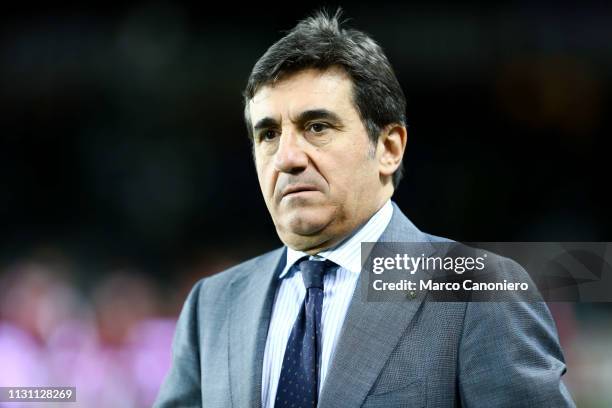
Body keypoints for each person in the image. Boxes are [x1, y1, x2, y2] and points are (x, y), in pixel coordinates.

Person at [154, 9, 575, 408]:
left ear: (389, 148)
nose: (287, 157)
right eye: (268, 134)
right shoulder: (212, 305)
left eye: (316, 127)